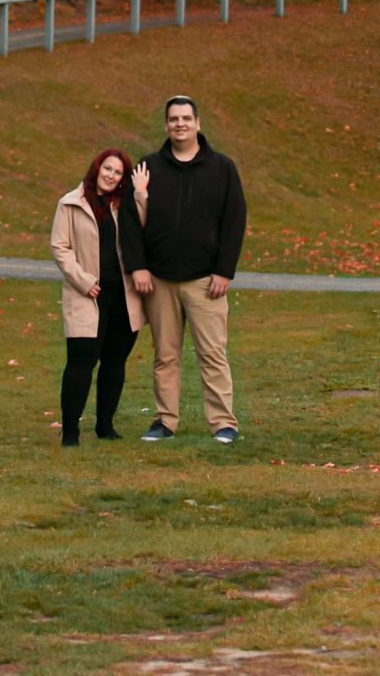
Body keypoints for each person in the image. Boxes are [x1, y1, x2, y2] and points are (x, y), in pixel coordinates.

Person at [119, 94, 247, 445]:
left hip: (206, 282)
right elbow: (131, 222)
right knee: (165, 355)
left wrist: (224, 271)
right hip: (159, 281)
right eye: (173, 119)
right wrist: (138, 268)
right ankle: (164, 421)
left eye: (186, 118)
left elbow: (235, 221)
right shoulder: (148, 167)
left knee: (213, 354)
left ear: (197, 123)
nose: (180, 124)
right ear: (166, 125)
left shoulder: (222, 168)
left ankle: (223, 423)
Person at [50, 149, 148, 446]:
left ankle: (105, 426)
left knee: (115, 363)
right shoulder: (70, 203)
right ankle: (70, 431)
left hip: (124, 297)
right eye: (107, 168)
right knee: (81, 362)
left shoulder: (126, 205)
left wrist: (141, 194)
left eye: (118, 173)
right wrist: (83, 281)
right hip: (87, 295)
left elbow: (145, 231)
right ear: (97, 168)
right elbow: (60, 247)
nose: (111, 175)